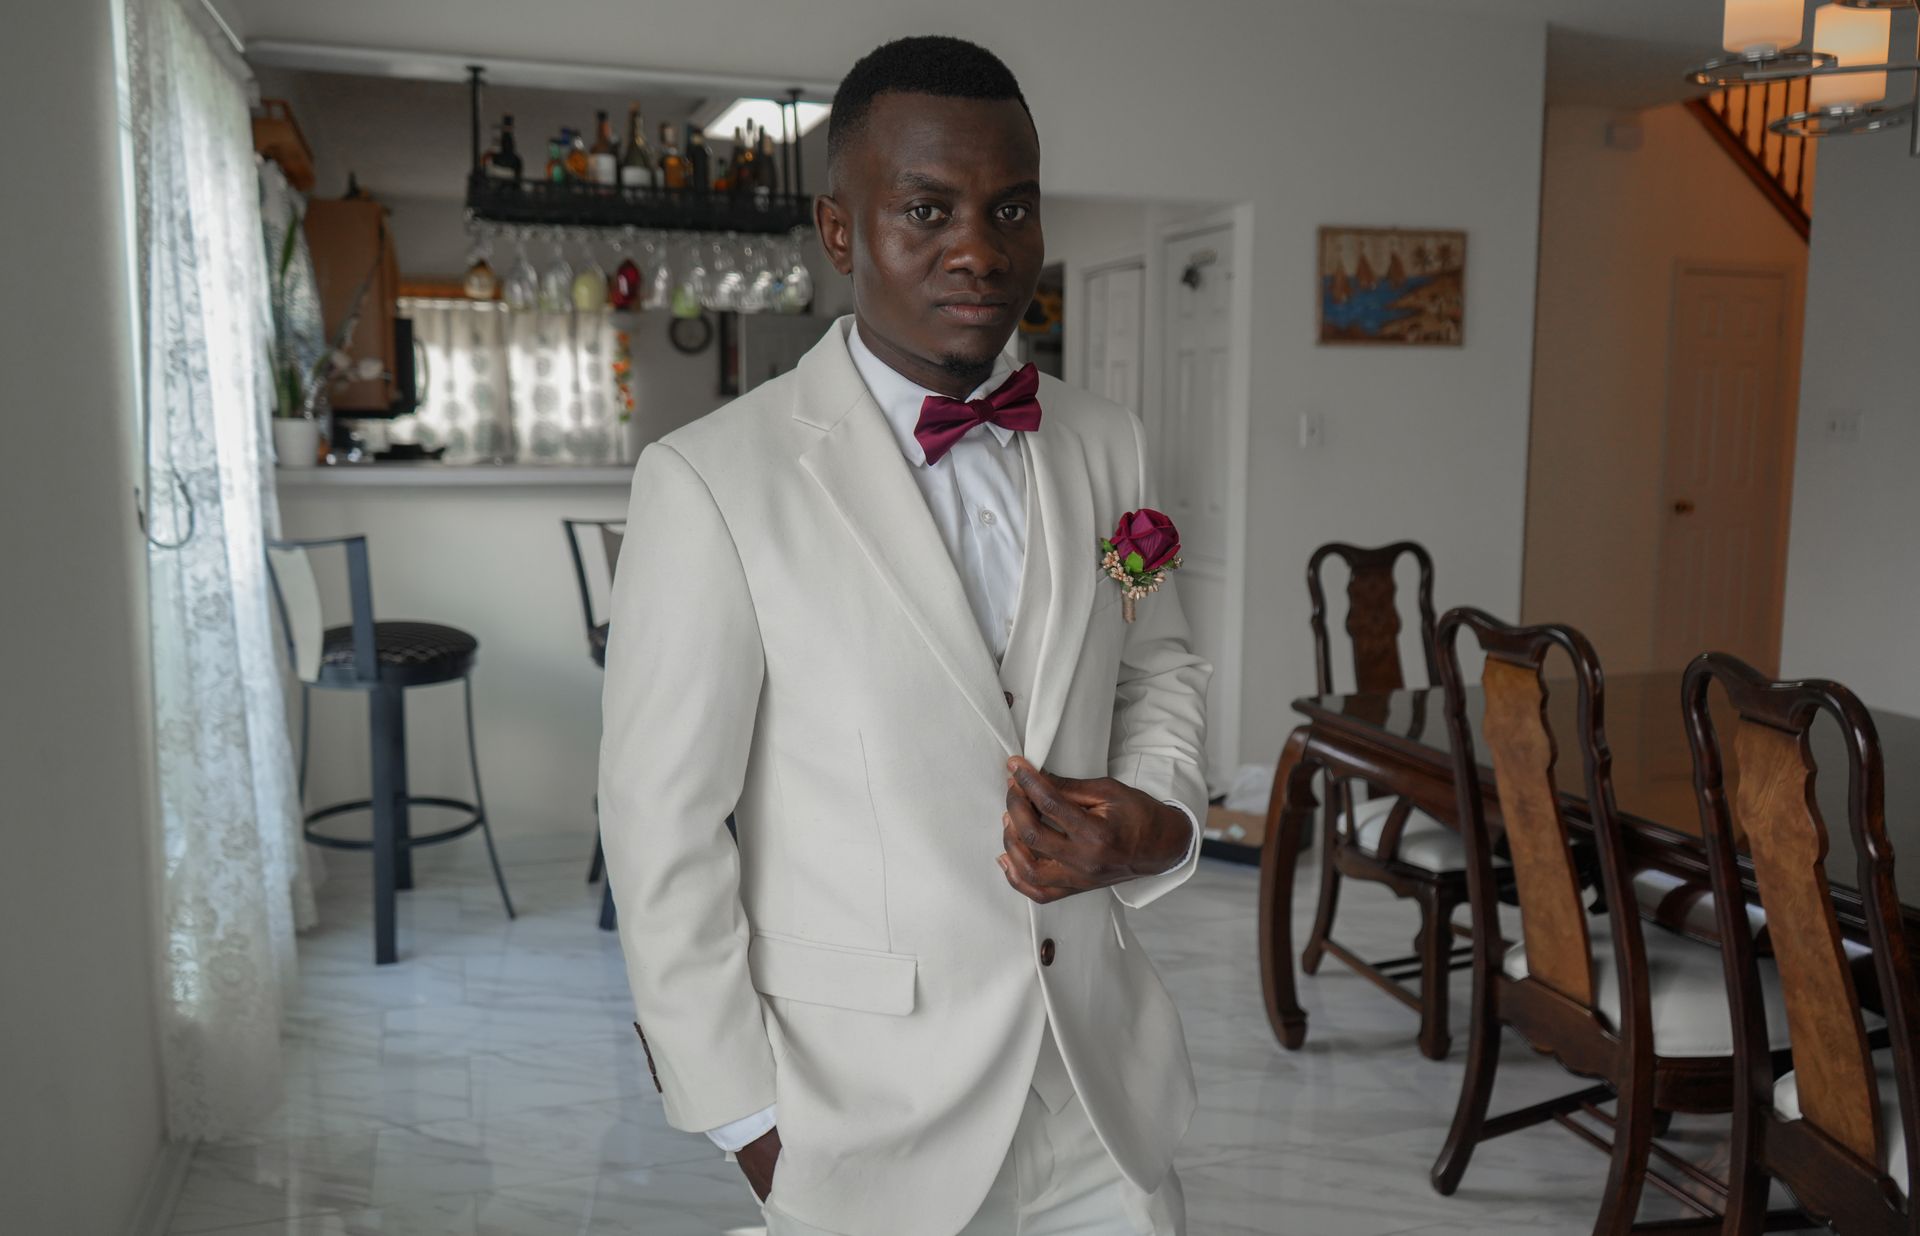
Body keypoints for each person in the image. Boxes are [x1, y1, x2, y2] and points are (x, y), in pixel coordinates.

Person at [598, 34, 1211, 1236]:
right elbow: (661, 822)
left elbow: (1158, 670)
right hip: (860, 1114)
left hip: (1097, 1093)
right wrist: (746, 1123)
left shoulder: (1108, 444)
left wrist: (1161, 821)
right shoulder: (710, 479)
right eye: (927, 210)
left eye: (1011, 208)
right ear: (840, 231)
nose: (978, 248)